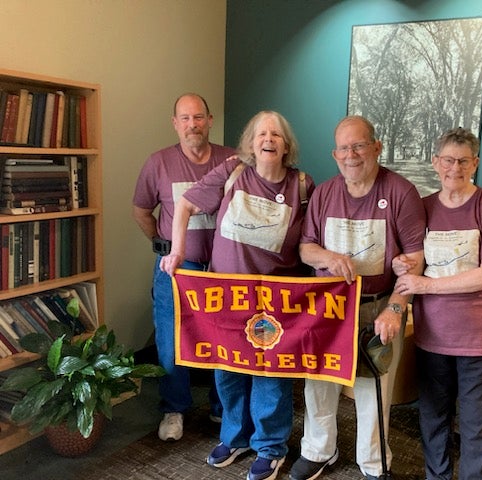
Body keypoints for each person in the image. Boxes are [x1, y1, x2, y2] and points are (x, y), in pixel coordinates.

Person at [160, 110, 315, 480]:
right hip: (226, 296)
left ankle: (270, 446)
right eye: (261, 133)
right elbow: (185, 204)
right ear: (250, 142)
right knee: (227, 368)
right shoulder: (232, 171)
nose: (268, 140)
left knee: (269, 375)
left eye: (276, 134)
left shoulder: (303, 185)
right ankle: (235, 437)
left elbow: (311, 241)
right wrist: (178, 251)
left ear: (286, 145)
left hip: (274, 302)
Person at [289, 115, 426, 480]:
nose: (352, 155)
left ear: (376, 147)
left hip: (377, 306)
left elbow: (415, 259)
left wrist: (397, 309)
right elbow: (305, 248)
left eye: (359, 145)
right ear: (335, 154)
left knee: (374, 387)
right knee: (318, 382)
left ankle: (373, 461)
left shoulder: (400, 192)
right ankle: (319, 450)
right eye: (344, 148)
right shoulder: (324, 193)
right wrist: (329, 258)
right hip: (327, 307)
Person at [393, 127, 482, 480]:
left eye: (463, 161)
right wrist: (403, 264)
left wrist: (424, 283)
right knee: (433, 419)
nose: (454, 168)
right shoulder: (423, 208)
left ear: (474, 163)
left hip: (480, 340)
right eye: (448, 160)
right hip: (433, 336)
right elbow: (413, 259)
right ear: (435, 162)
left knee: (477, 427)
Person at [132, 93, 234, 441]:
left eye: (199, 117)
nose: (193, 125)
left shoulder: (229, 160)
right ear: (175, 123)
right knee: (170, 342)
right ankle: (174, 408)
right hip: (177, 270)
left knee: (224, 340)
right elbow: (142, 211)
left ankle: (223, 409)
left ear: (209, 120)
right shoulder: (158, 162)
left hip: (222, 269)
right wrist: (163, 246)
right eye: (185, 118)